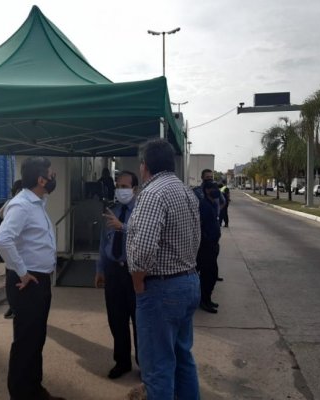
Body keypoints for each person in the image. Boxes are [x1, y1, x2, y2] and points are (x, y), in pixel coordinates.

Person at [127, 138, 202, 400]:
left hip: (161, 289)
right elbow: (196, 238)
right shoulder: (185, 191)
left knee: (157, 367)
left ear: (144, 166)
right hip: (188, 281)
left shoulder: (151, 193)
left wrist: (137, 282)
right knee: (183, 358)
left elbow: (144, 249)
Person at [0, 157, 65, 400]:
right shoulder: (22, 204)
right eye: (51, 175)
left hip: (39, 280)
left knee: (36, 339)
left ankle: (34, 389)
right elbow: (2, 241)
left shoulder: (37, 202)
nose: (54, 178)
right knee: (26, 341)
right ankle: (21, 394)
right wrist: (22, 271)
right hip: (28, 282)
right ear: (41, 179)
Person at [95, 171, 139, 379]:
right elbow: (104, 244)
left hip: (135, 271)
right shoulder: (111, 211)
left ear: (135, 189)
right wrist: (100, 270)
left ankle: (144, 363)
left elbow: (145, 237)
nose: (120, 190)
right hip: (113, 271)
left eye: (125, 186)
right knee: (116, 319)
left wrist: (124, 227)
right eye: (118, 186)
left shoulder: (142, 213)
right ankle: (122, 362)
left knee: (139, 320)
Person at [0, 179, 23, 319]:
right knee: (11, 281)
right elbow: (1, 213)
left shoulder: (28, 204)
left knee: (18, 281)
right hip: (12, 251)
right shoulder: (13, 203)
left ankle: (16, 307)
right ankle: (13, 306)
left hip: (22, 252)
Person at [197, 180, 221, 313]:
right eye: (213, 188)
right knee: (208, 275)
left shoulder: (212, 204)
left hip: (213, 245)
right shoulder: (204, 205)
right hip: (206, 246)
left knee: (212, 274)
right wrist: (205, 238)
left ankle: (207, 298)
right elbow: (199, 224)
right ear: (207, 190)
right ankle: (204, 301)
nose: (216, 190)